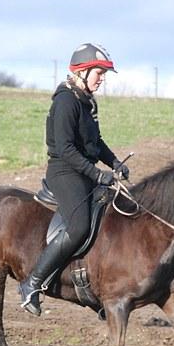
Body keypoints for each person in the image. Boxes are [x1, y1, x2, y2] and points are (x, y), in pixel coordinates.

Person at [19, 43, 130, 316]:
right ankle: (32, 283)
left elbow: (96, 141)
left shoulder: (87, 101)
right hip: (64, 172)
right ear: (82, 71)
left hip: (84, 170)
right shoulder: (65, 101)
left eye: (103, 74)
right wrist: (96, 173)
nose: (102, 79)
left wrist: (113, 161)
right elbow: (67, 149)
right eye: (99, 73)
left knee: (112, 215)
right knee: (79, 226)